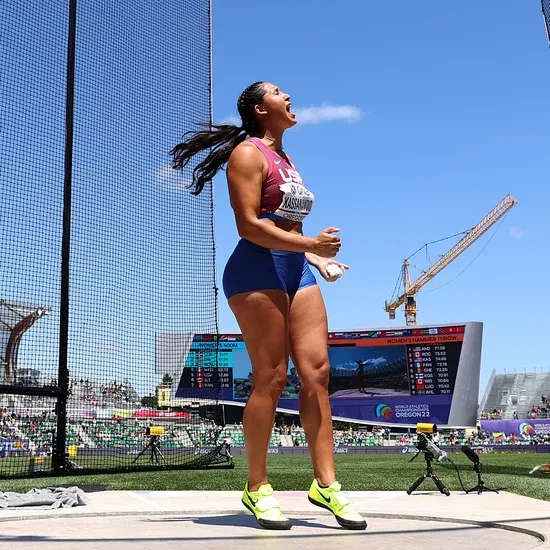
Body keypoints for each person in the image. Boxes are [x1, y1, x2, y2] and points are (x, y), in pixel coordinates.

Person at [170, 81, 366, 531]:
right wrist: (311, 242)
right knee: (272, 377)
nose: (289, 96)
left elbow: (287, 223)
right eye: (279, 92)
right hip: (254, 271)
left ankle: (327, 486)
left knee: (317, 374)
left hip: (297, 269)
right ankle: (257, 486)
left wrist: (314, 255)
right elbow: (249, 226)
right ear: (261, 109)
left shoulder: (288, 160)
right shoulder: (247, 154)